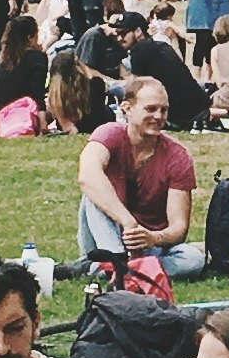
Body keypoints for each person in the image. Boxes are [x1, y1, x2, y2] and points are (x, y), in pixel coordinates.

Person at [80, 75, 198, 275]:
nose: (159, 116)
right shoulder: (109, 134)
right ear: (127, 108)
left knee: (193, 260)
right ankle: (117, 262)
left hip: (150, 247)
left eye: (164, 110)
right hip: (108, 237)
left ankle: (109, 269)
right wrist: (128, 222)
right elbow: (87, 175)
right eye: (151, 109)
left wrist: (152, 237)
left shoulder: (177, 156)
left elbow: (179, 227)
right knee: (93, 194)